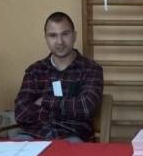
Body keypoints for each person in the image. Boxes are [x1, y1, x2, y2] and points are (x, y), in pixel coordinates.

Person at [14, 12, 103, 142]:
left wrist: (44, 101)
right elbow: (20, 113)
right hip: (34, 135)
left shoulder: (91, 69)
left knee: (74, 144)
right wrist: (68, 107)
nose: (60, 42)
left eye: (65, 34)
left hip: (73, 136)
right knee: (14, 146)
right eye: (53, 35)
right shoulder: (35, 71)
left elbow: (86, 107)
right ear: (46, 38)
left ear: (74, 35)